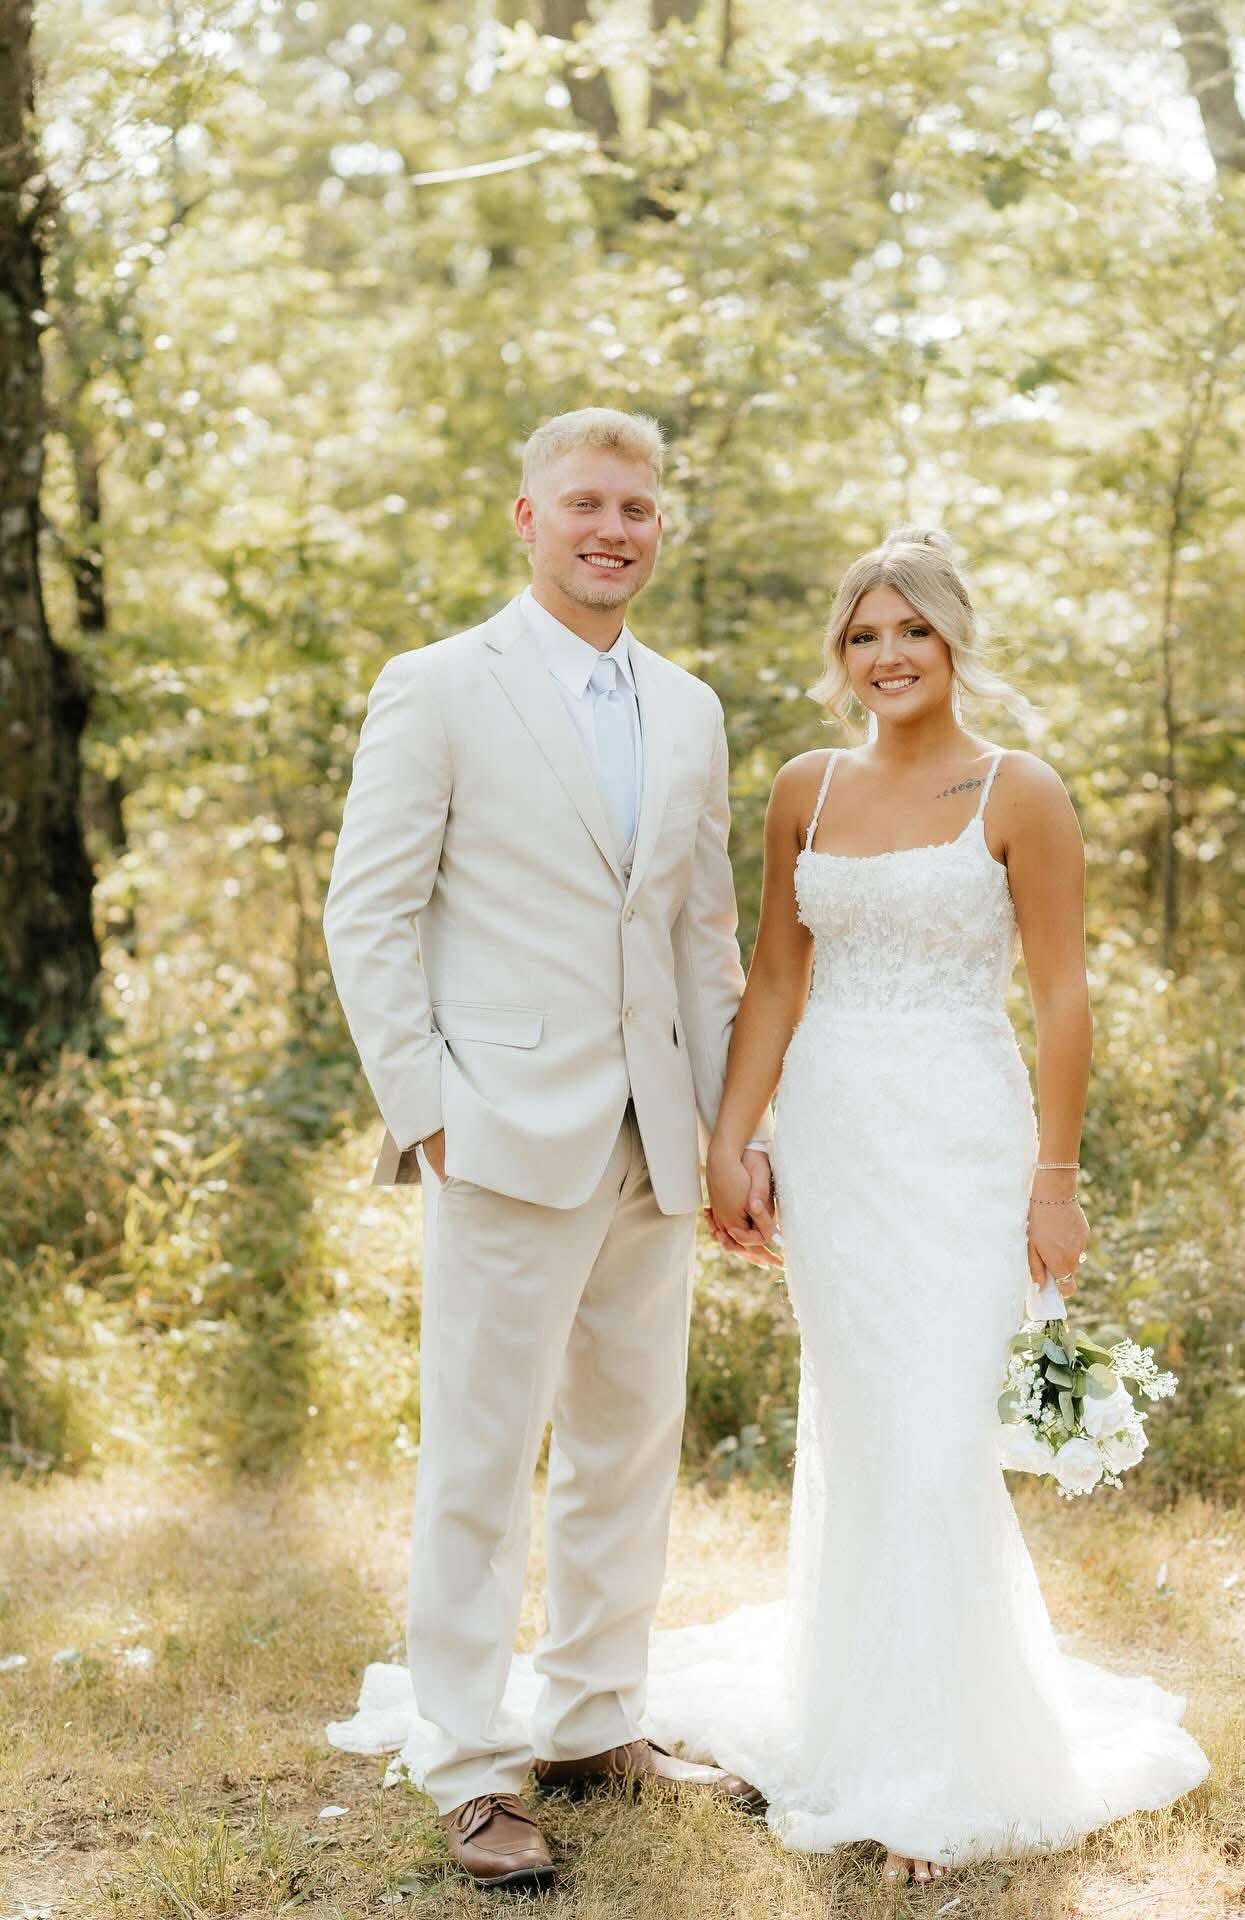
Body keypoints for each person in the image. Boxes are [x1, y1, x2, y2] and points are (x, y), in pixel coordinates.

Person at [679, 525, 1210, 1883]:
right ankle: (863, 1725)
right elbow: (777, 983)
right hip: (840, 1143)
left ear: (955, 641)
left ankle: (937, 1775)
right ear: (840, 658)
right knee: (864, 1432)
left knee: (935, 1440)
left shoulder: (1016, 790)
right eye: (864, 634)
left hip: (968, 1145)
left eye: (911, 630)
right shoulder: (804, 787)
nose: (889, 655)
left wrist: (1057, 1177)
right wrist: (731, 1141)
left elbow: (1064, 996)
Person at [322, 408, 778, 1892]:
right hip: (501, 1134)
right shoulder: (440, 686)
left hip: (655, 1133)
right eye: (585, 502)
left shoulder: (693, 707)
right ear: (527, 518)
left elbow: (707, 937)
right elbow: (369, 914)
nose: (613, 528)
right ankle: (467, 1759)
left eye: (637, 508)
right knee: (477, 1457)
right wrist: (428, 1110)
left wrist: (730, 1133)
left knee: (627, 1446)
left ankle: (592, 1718)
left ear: (660, 529)